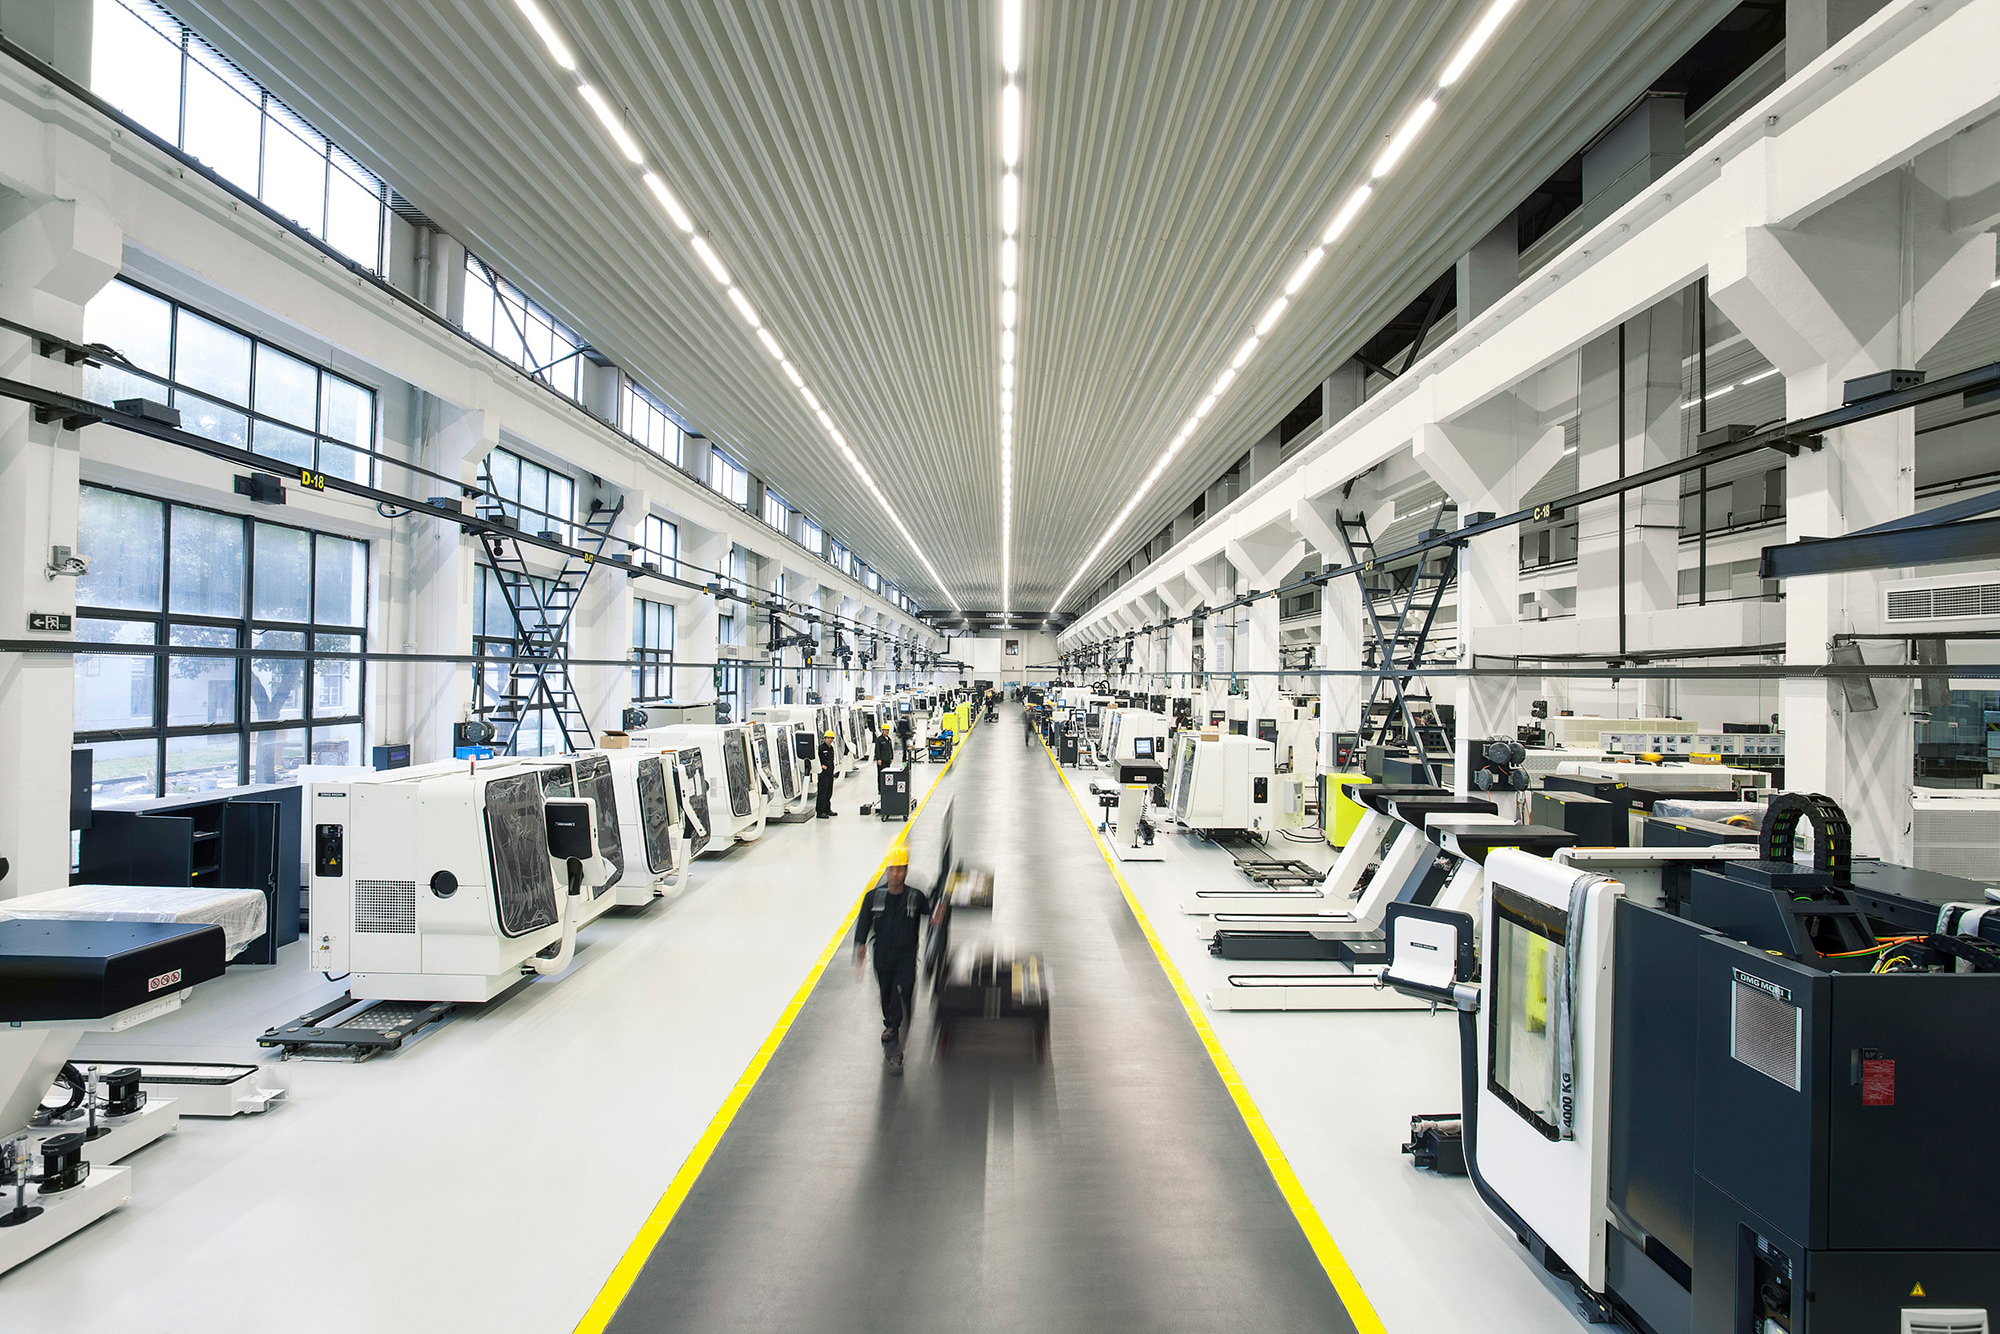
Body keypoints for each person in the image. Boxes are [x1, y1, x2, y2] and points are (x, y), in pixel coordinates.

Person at [853, 843, 933, 1072]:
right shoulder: (873, 898)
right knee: (886, 993)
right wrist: (860, 945)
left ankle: (896, 1043)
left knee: (901, 994)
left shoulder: (914, 898)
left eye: (899, 870)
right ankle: (890, 1023)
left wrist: (940, 909)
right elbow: (864, 923)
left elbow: (931, 913)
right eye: (892, 870)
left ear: (905, 871)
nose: (895, 874)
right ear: (887, 871)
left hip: (906, 957)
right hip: (882, 957)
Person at [815, 730, 838, 818]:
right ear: (825, 738)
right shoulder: (821, 748)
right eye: (828, 738)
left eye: (831, 738)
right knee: (822, 792)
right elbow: (816, 759)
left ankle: (827, 809)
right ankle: (820, 812)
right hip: (823, 774)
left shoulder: (831, 748)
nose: (830, 740)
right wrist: (821, 766)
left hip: (830, 773)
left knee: (829, 792)